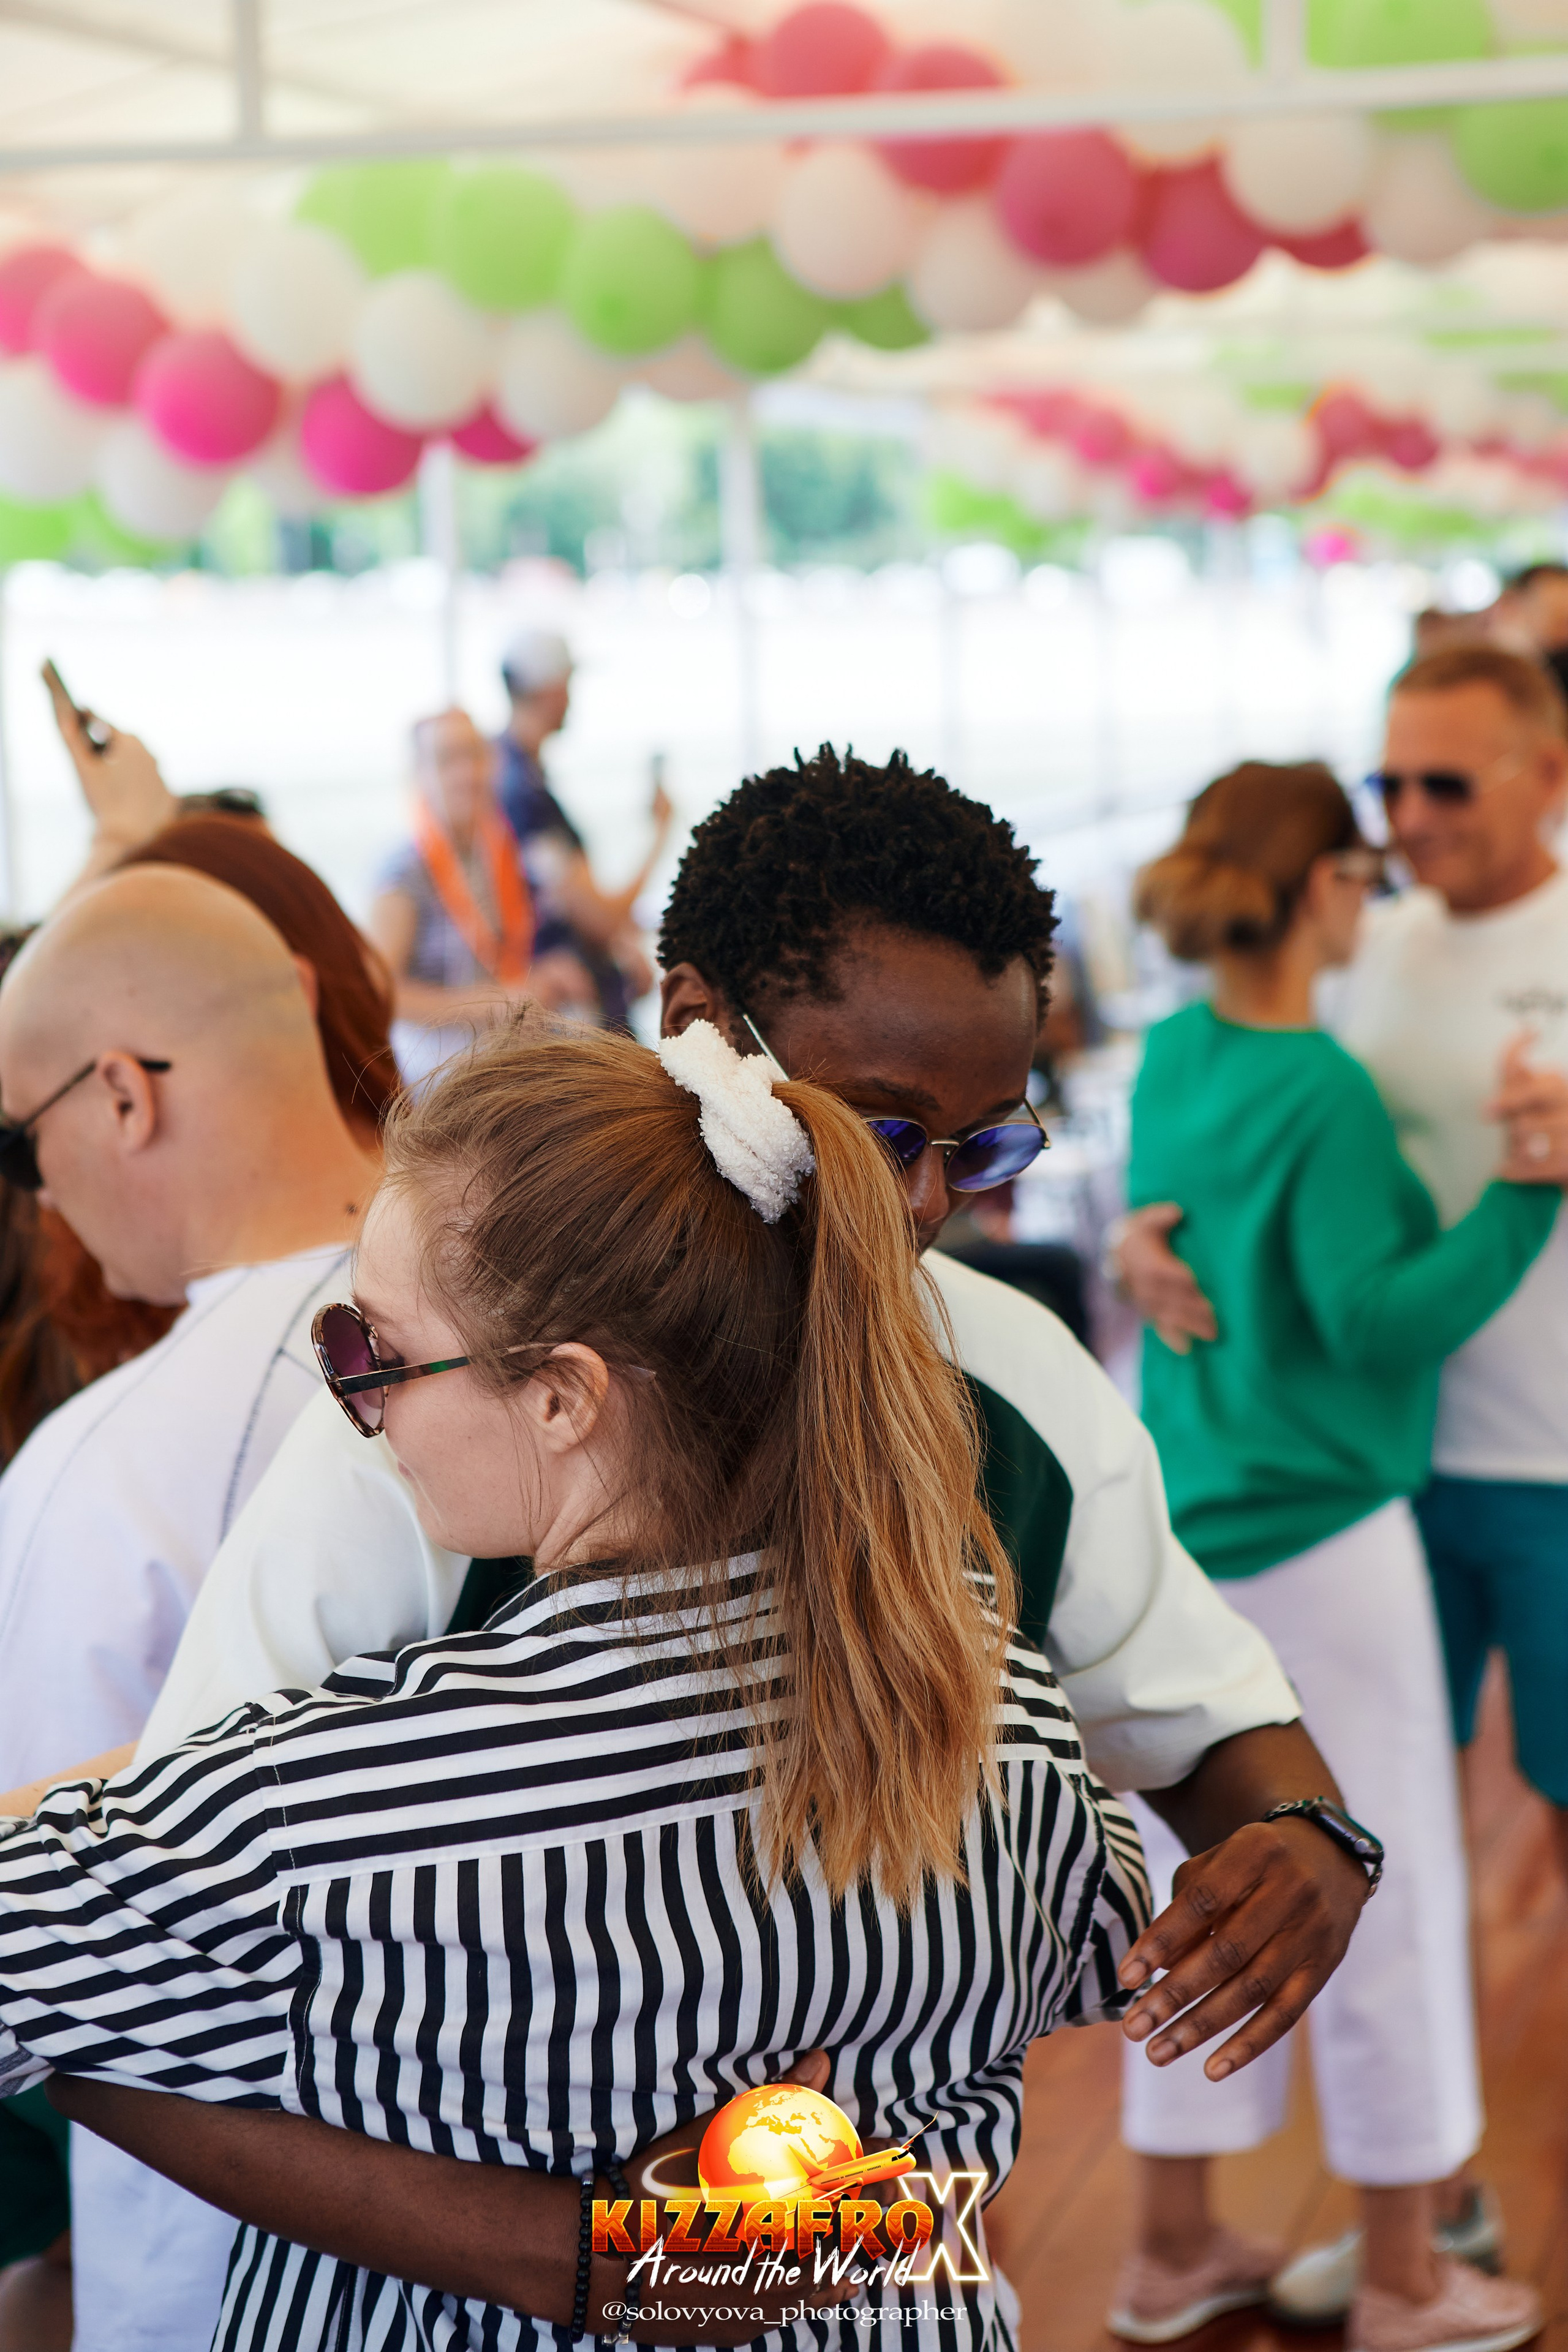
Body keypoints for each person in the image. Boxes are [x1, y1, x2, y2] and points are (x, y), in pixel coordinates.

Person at [51, 752, 1374, 2341]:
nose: (936, 1204)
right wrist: (581, 2256)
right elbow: (146, 1973)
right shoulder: (410, 1439)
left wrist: (1307, 1832)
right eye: (884, 1130)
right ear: (697, 1023)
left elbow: (1204, 1712)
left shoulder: (1011, 1389)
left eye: (992, 1146)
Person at [0, 1014, 1154, 2352]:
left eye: (374, 1351)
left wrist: (564, 2255)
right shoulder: (991, 1707)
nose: (354, 1406)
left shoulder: (343, 1812)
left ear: (563, 1398)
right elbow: (1084, 1949)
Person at [1115, 644, 1568, 2320]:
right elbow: (1377, 1320)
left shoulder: (1174, 1053)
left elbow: (1188, 1227)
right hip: (1344, 1519)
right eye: (1387, 804)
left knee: (1202, 1879)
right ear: (1325, 883)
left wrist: (1143, 1241)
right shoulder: (1318, 1071)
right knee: (1379, 1880)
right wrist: (1531, 1194)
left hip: (1203, 1532)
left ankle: (1166, 2246)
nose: (1411, 831)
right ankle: (1403, 2272)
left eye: (1446, 784)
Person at [0, 864, 382, 2352]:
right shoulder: (572, 1342)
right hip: (633, 2209)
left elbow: (44, 1920)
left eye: (23, 1141)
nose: (38, 1193)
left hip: (235, 2265)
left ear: (120, 1096)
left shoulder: (105, 1464)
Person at [369, 706, 594, 1085]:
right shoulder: (402, 873)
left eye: (475, 755)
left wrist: (541, 978)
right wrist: (487, 1005)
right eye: (447, 760)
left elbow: (500, 961)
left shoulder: (501, 852)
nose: (467, 774)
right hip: (435, 1073)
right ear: (420, 776)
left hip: (498, 1057)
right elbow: (380, 994)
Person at [496, 627, 674, 1025]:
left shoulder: (518, 777)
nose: (573, 697)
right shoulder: (522, 795)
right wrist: (661, 832)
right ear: (549, 689)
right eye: (569, 683)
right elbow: (599, 917)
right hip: (570, 1011)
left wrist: (619, 940)